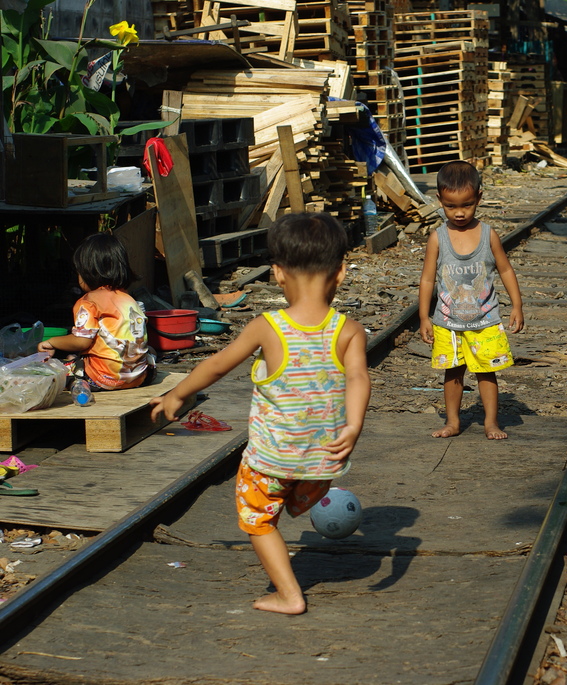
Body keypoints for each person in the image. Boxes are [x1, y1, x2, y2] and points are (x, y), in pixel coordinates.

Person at [150, 213, 370, 615]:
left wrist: (176, 394)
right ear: (340, 274)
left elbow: (217, 365)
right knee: (290, 493)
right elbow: (358, 378)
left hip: (271, 460)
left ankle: (289, 594)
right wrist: (353, 426)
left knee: (258, 521)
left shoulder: (268, 327)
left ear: (278, 274)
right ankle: (300, 500)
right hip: (321, 464)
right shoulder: (349, 330)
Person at [418, 161, 524, 441]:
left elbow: (505, 269)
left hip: (485, 320)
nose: (460, 212)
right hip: (447, 322)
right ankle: (453, 421)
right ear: (439, 200)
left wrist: (517, 305)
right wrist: (423, 317)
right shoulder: (437, 238)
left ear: (479, 197)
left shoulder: (489, 235)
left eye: (467, 204)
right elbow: (427, 279)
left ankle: (491, 422)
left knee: (487, 373)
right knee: (452, 372)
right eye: (451, 207)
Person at [39, 233, 153, 390]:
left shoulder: (89, 301)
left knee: (59, 369)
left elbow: (81, 341)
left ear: (88, 273)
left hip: (104, 379)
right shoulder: (128, 299)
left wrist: (51, 342)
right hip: (139, 377)